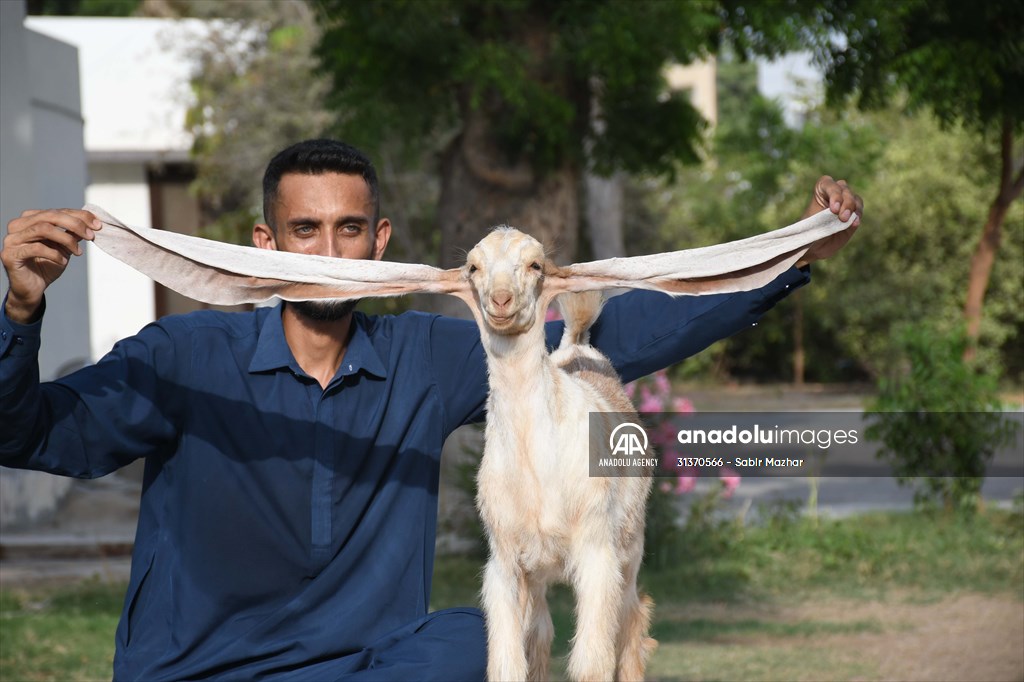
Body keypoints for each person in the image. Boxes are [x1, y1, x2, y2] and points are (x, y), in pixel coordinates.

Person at [0, 139, 862, 680]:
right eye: (306, 231)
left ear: (382, 245)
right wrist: (20, 314)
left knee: (472, 641)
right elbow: (28, 432)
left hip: (364, 670)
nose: (328, 252)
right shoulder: (181, 357)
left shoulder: (430, 357)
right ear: (265, 246)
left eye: (348, 231)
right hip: (200, 669)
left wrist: (786, 254)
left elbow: (622, 328)